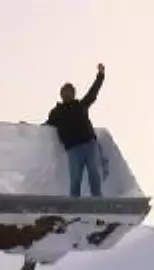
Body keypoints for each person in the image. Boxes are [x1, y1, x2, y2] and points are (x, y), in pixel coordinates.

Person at [44, 63, 106, 197]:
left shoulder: (80, 105)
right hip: (73, 149)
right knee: (75, 177)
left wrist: (100, 75)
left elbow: (93, 92)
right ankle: (74, 202)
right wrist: (26, 127)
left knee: (94, 172)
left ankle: (97, 198)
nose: (67, 94)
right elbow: (46, 126)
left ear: (73, 93)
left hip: (89, 144)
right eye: (65, 92)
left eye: (70, 92)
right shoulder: (56, 112)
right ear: (61, 94)